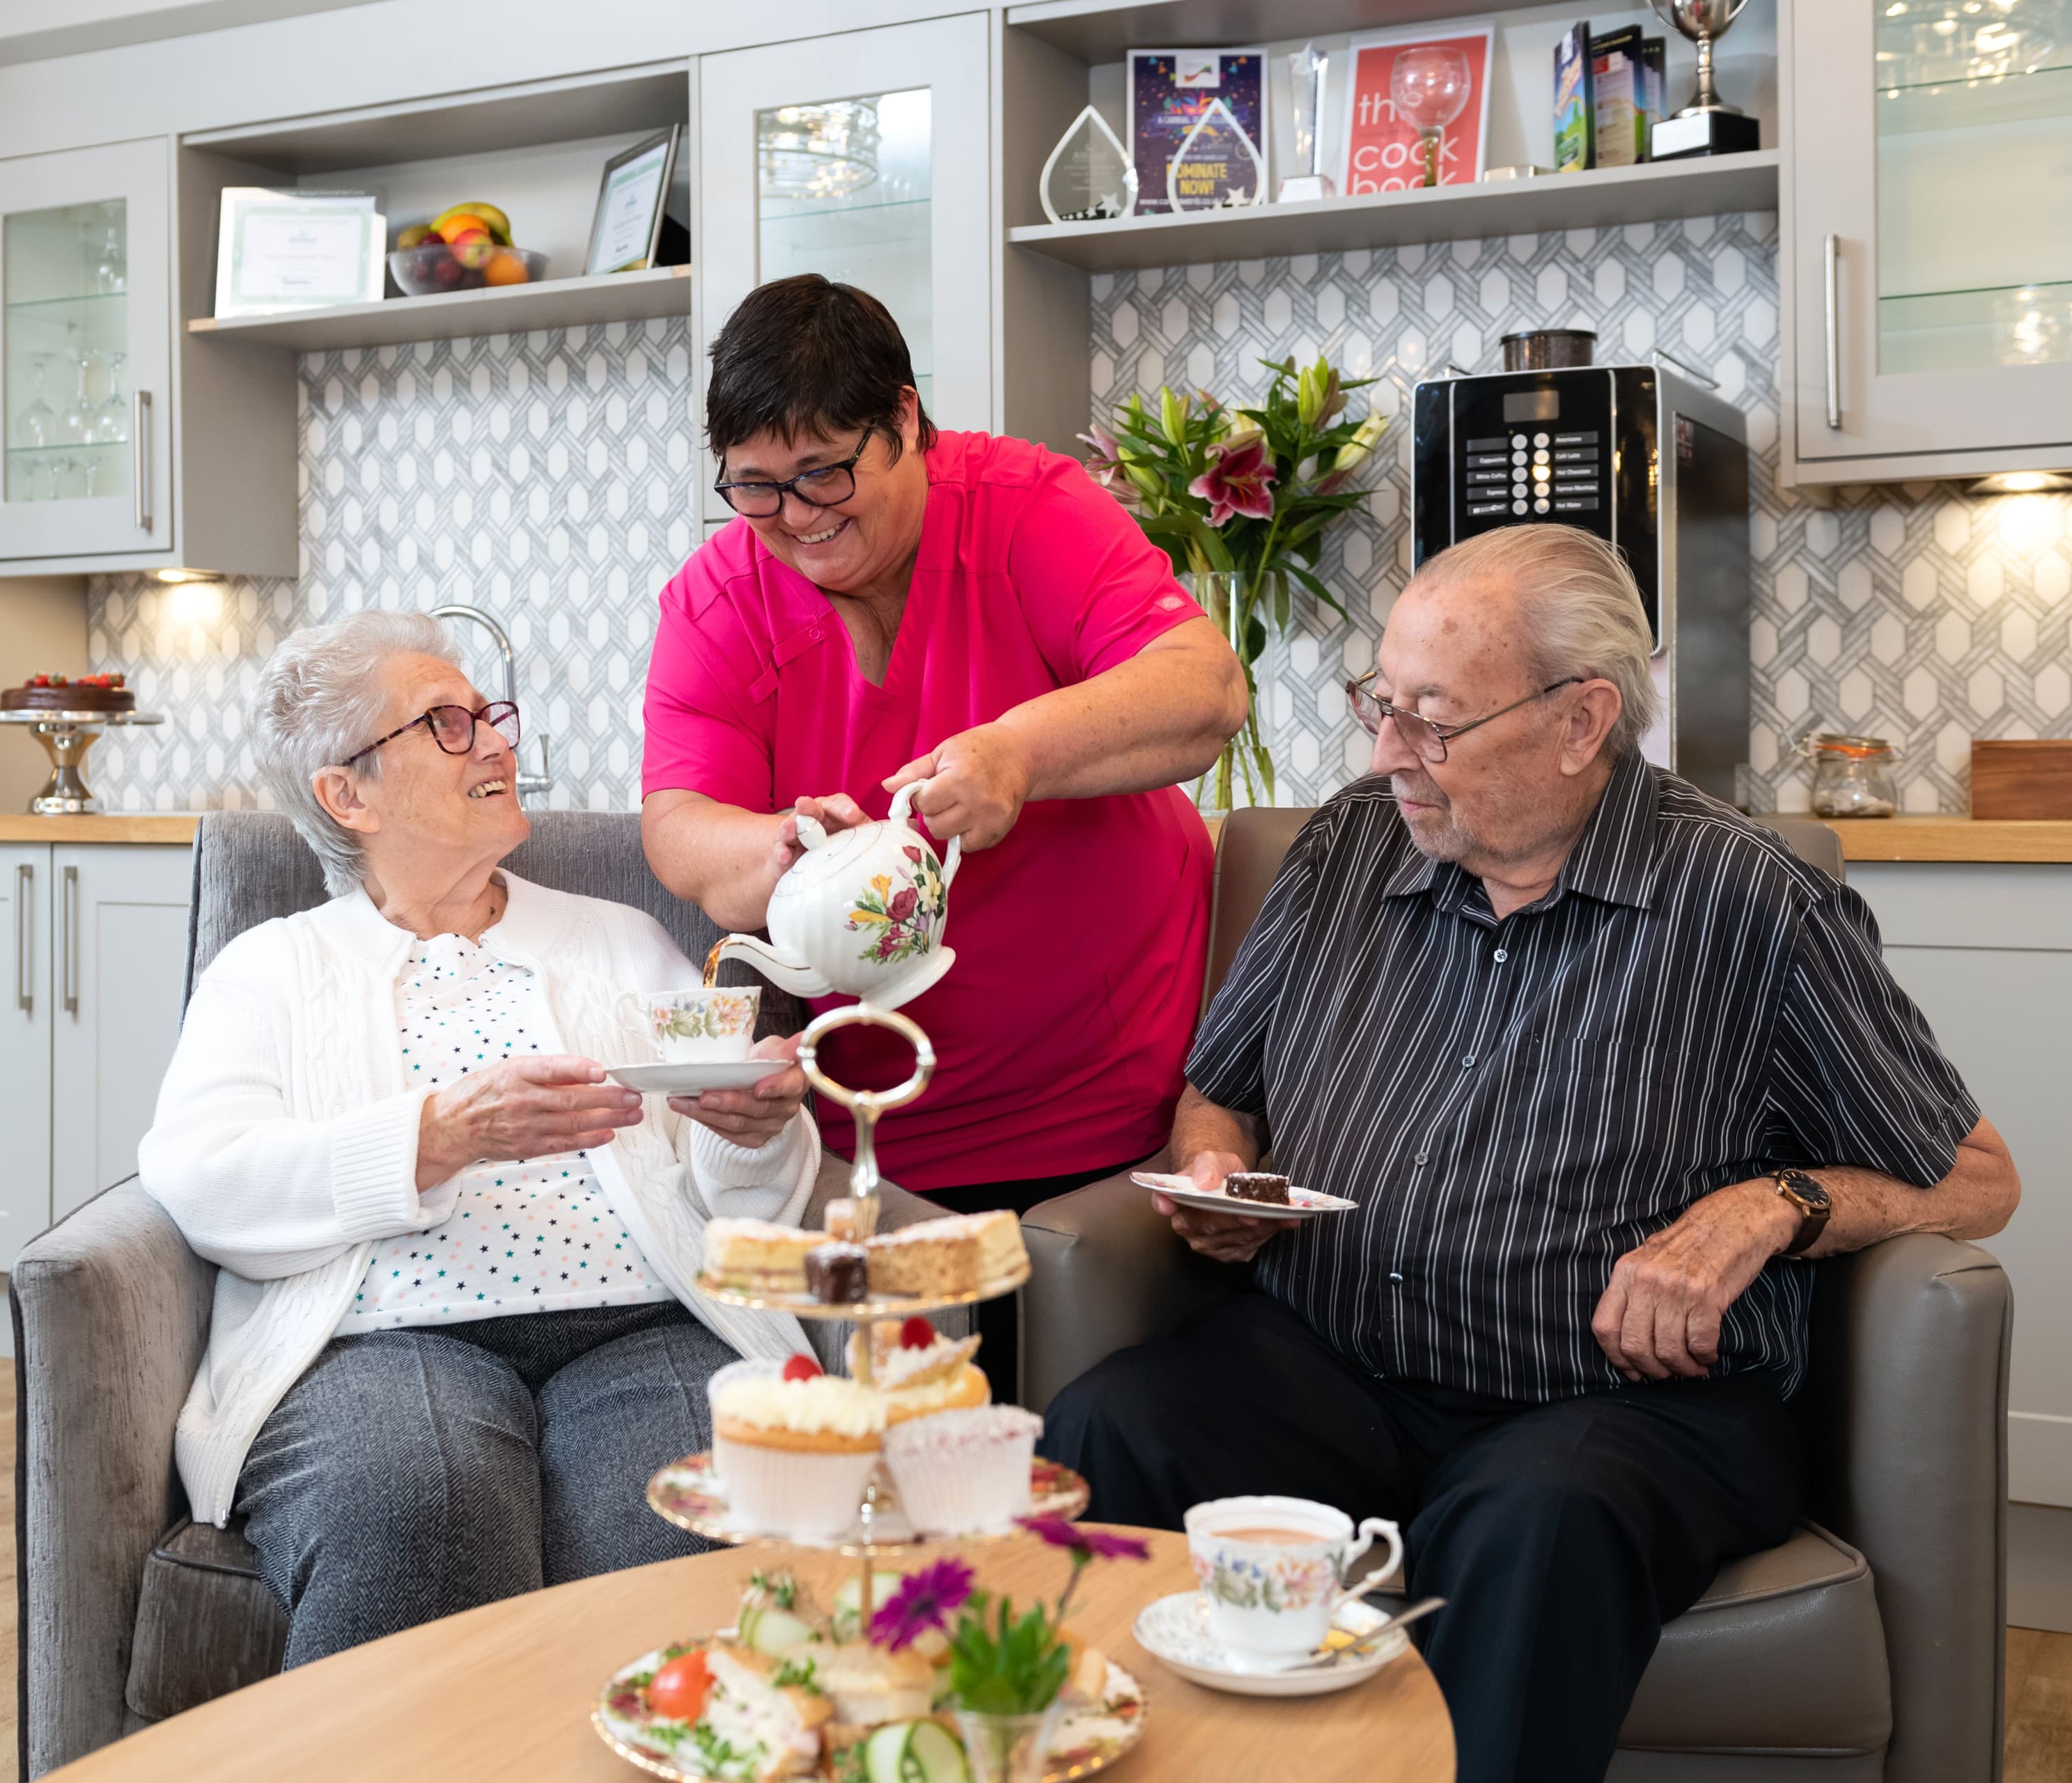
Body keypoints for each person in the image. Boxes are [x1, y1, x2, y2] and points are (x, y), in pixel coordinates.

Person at [1038, 526, 2020, 1783]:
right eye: (1379, 706)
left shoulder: (1748, 899)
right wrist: (1219, 1174)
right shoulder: (1347, 848)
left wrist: (1772, 1206)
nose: (1387, 753)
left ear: (1580, 719)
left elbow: (1980, 1177)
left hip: (1621, 1409)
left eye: (1431, 721)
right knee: (1107, 1426)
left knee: (1533, 1524)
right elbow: (1217, 1093)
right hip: (1336, 1361)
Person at [139, 609, 821, 1669]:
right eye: (447, 724)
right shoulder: (273, 971)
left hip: (645, 1324)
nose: (497, 741)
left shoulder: (620, 941)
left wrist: (752, 1132)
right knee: (421, 1506)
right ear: (346, 792)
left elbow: (736, 1201)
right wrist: (437, 1135)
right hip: (383, 1340)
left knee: (688, 1529)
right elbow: (203, 1180)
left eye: (488, 716)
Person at [641, 274, 1248, 1386]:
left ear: (908, 421)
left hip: (1108, 1115)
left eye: (827, 471)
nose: (801, 517)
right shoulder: (717, 600)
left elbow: (1203, 690)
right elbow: (680, 829)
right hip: (872, 1133)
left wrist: (1018, 754)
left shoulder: (1029, 509)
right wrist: (778, 853)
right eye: (759, 489)